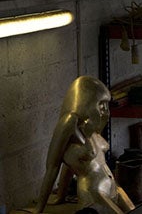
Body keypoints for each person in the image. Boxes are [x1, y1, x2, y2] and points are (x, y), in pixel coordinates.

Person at [35, 76, 134, 214]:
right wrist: (39, 209)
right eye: (101, 104)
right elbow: (53, 167)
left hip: (113, 188)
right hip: (94, 192)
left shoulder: (89, 131)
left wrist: (61, 195)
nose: (105, 110)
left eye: (107, 105)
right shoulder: (69, 122)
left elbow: (67, 167)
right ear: (87, 102)